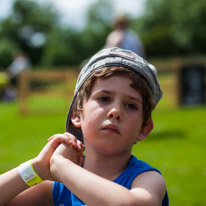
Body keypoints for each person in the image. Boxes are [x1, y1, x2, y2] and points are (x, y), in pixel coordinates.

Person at [0, 47, 169, 206]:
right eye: (104, 99)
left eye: (131, 105)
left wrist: (61, 166)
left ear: (144, 129)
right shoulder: (58, 186)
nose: (115, 112)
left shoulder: (147, 179)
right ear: (76, 114)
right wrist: (37, 168)